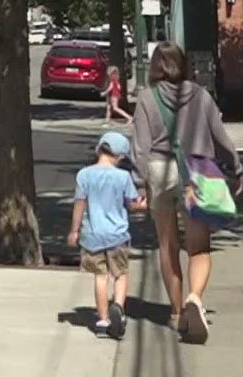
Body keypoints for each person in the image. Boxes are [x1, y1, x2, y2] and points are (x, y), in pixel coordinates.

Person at [130, 42, 243, 346]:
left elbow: (139, 148)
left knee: (167, 246)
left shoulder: (145, 97)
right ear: (183, 64)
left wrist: (139, 185)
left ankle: (177, 312)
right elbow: (220, 136)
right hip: (196, 174)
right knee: (199, 247)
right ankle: (195, 297)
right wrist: (235, 166)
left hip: (158, 171)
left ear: (155, 66)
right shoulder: (201, 95)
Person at [68, 132, 145, 339]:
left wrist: (75, 230)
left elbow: (80, 203)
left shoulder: (84, 175)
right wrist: (143, 205)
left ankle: (102, 319)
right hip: (117, 234)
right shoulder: (123, 177)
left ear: (98, 150)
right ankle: (118, 306)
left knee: (100, 276)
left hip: (92, 235)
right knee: (120, 273)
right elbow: (132, 203)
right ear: (120, 157)